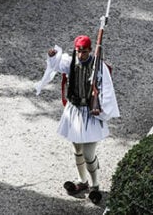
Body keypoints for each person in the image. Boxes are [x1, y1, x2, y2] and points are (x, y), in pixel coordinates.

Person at [40, 35, 119, 205]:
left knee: (89, 154)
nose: (81, 54)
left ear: (90, 50)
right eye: (78, 51)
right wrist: (52, 55)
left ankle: (95, 185)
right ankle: (82, 181)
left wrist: (101, 108)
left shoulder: (98, 66)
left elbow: (107, 88)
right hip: (75, 111)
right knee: (77, 150)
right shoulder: (71, 63)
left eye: (84, 51)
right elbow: (56, 65)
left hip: (90, 112)